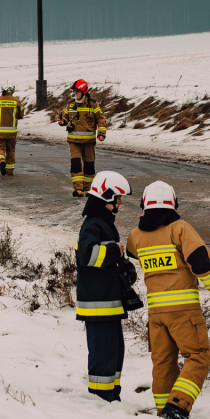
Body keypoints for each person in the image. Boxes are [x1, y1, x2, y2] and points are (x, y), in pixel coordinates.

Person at [125, 181, 210, 419]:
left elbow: (132, 252)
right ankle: (179, 405)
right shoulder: (180, 229)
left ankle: (164, 411)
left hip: (156, 314)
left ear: (144, 205)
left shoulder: (136, 235)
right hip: (184, 311)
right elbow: (202, 265)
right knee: (198, 356)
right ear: (173, 204)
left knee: (163, 362)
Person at [75, 171, 132, 402]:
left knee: (115, 351)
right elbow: (88, 257)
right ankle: (101, 396)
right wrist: (114, 251)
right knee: (104, 352)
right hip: (98, 304)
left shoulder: (104, 223)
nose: (119, 202)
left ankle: (112, 394)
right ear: (106, 197)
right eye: (117, 198)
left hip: (108, 302)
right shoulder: (93, 225)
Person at [57, 79, 107, 197]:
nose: (75, 93)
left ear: (83, 90)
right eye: (74, 91)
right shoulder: (71, 105)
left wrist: (101, 133)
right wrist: (62, 122)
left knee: (89, 166)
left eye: (76, 91)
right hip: (74, 142)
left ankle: (88, 189)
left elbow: (101, 119)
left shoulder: (93, 104)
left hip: (89, 142)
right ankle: (78, 189)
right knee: (76, 165)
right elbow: (64, 118)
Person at [0, 82, 24, 176]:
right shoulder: (17, 101)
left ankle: (1, 161)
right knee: (11, 150)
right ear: (12, 90)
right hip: (12, 133)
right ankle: (10, 170)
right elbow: (21, 115)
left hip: (0, 133)